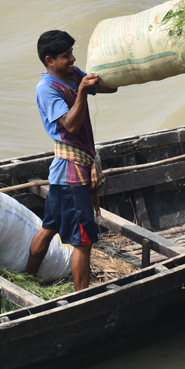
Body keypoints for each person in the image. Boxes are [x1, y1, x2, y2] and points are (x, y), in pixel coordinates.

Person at [27, 30, 117, 291]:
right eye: (66, 56)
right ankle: (83, 298)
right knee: (82, 241)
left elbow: (109, 87)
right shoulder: (47, 89)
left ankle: (27, 279)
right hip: (71, 173)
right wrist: (82, 92)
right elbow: (70, 125)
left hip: (63, 173)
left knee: (49, 227)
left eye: (72, 54)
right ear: (50, 60)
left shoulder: (72, 74)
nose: (73, 59)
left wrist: (119, 73)